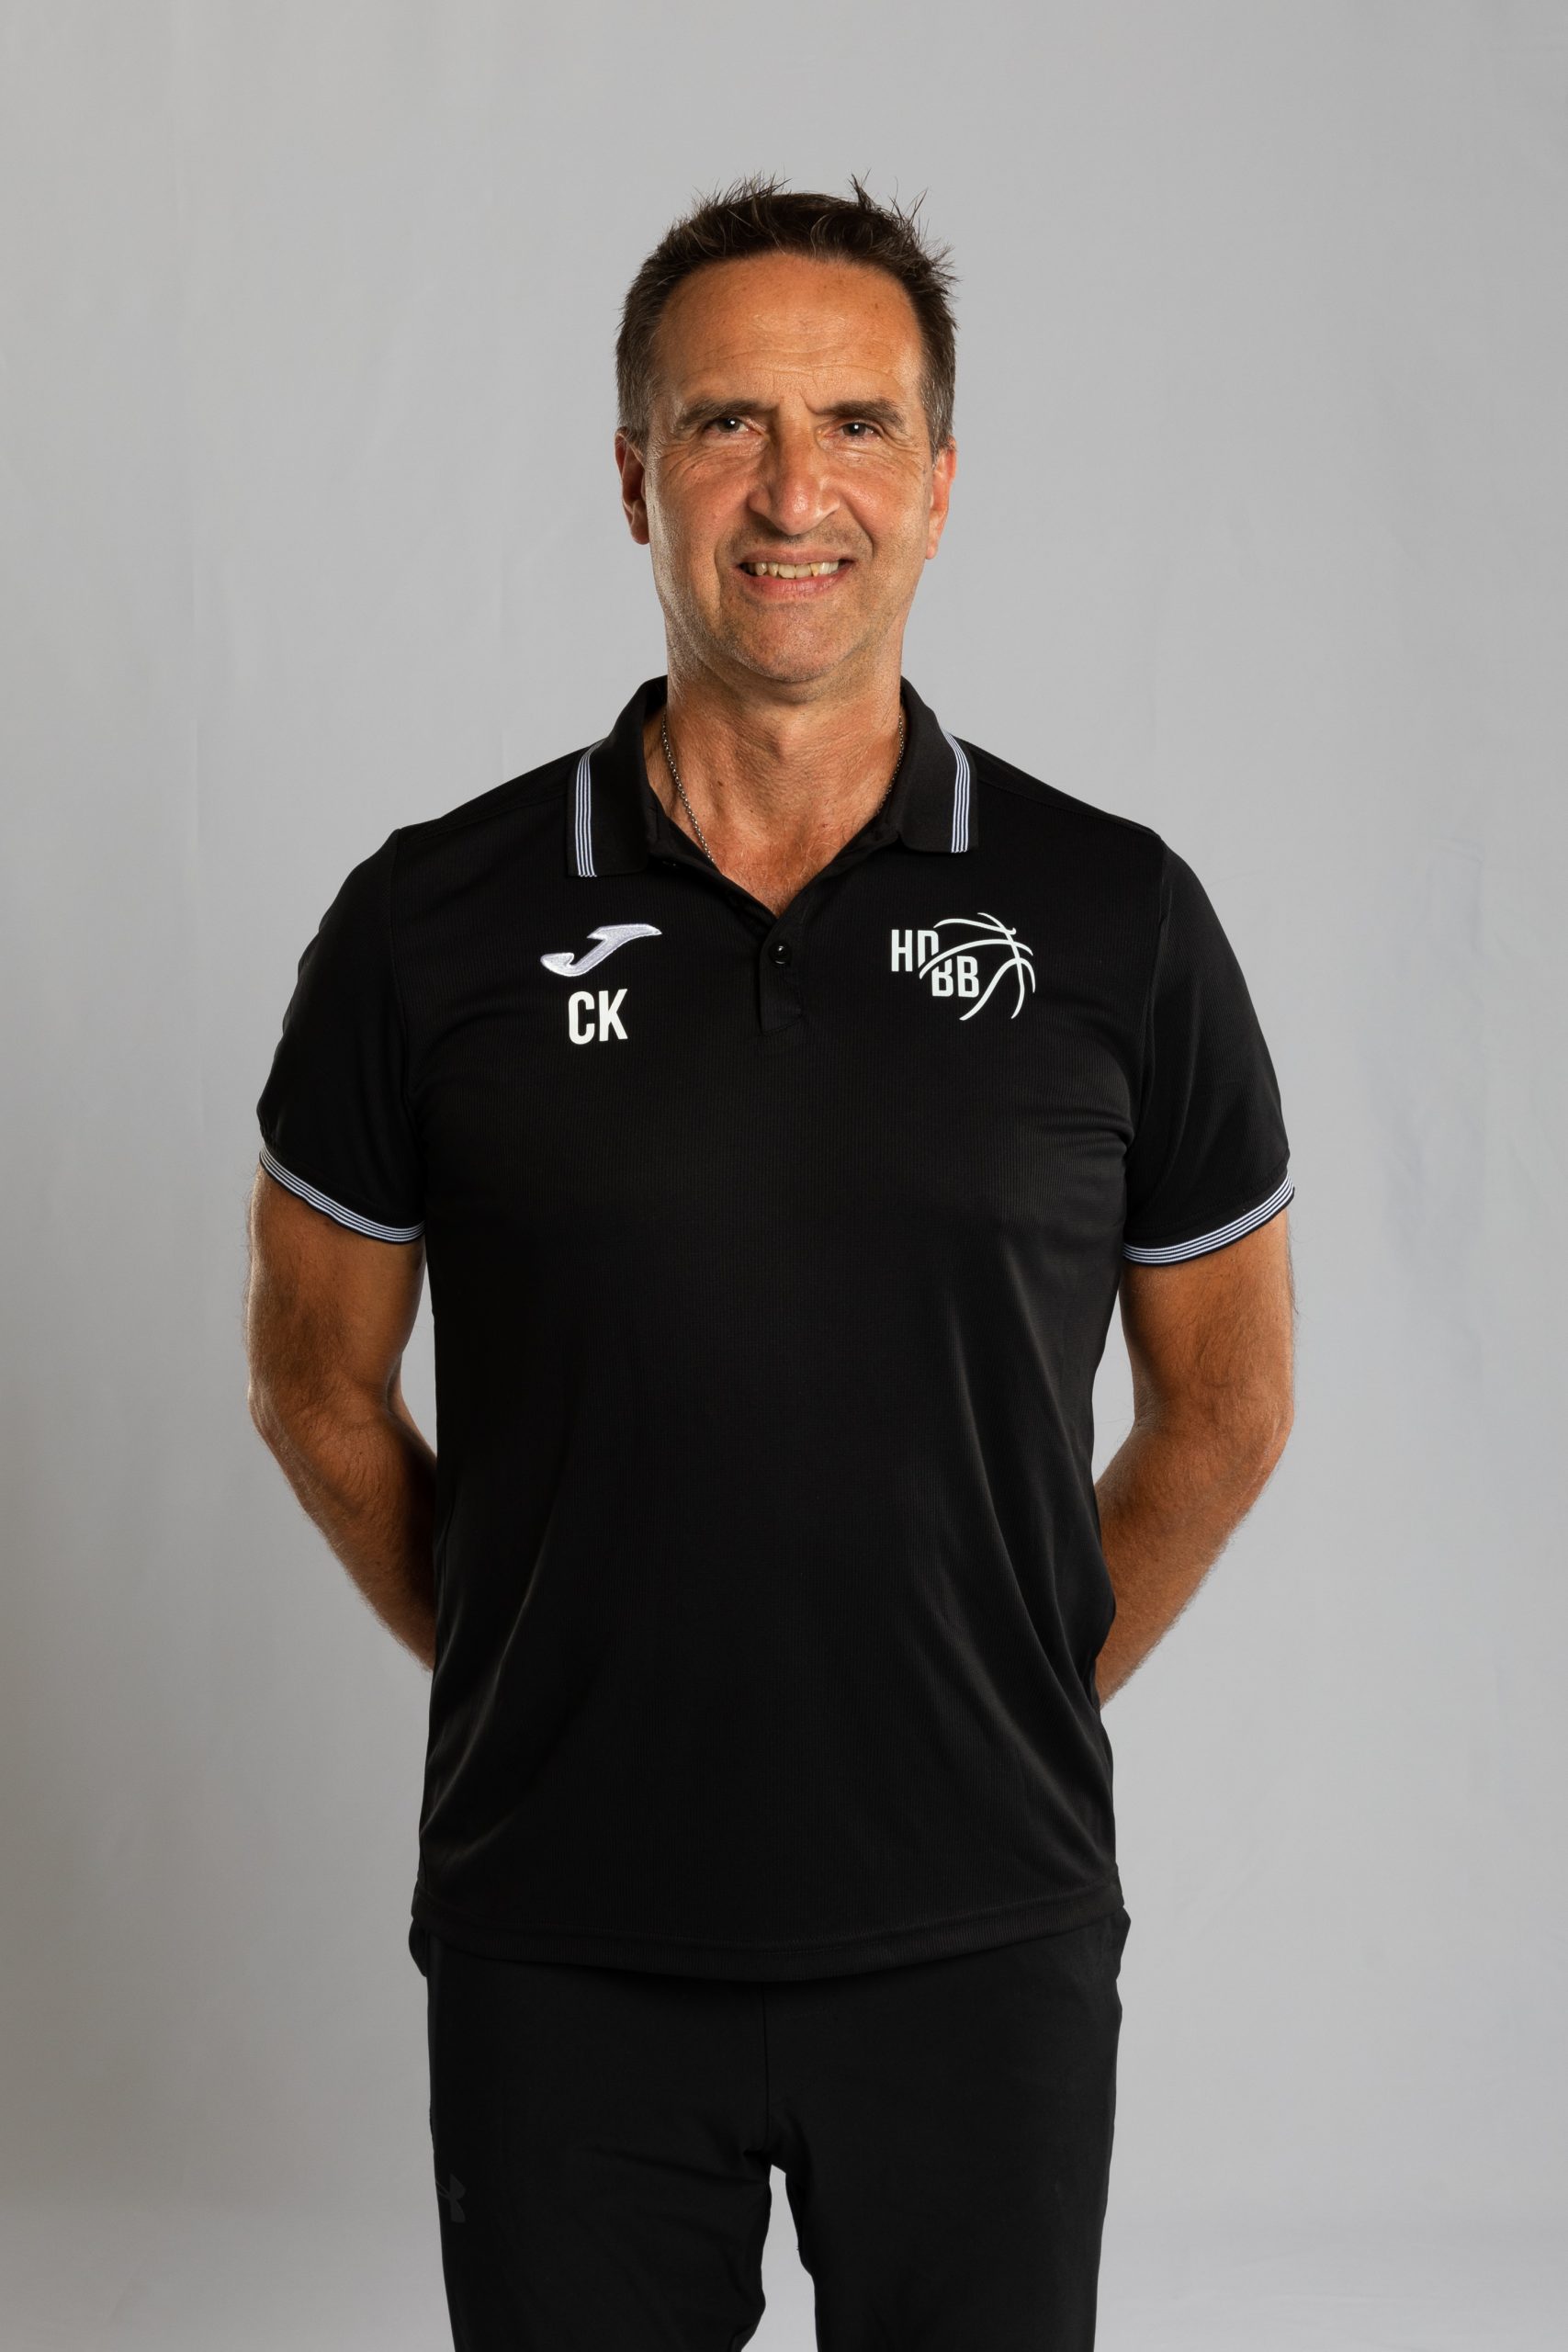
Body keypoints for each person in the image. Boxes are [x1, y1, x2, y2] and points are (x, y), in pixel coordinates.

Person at [244, 174, 1295, 2351]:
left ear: (938, 482)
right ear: (635, 475)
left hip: (978, 1935)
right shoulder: (430, 923)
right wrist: (535, 1651)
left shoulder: (1114, 919)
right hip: (560, 1937)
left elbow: (1225, 1403)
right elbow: (313, 1381)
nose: (792, 490)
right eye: (727, 423)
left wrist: (1002, 1676)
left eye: (854, 425)